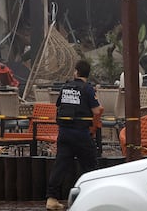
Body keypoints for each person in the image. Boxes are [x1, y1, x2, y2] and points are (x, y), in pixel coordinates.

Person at [45, 60, 103, 210]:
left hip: (64, 133)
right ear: (87, 74)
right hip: (81, 134)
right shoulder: (88, 89)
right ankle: (93, 199)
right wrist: (94, 127)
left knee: (60, 166)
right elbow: (97, 111)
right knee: (90, 166)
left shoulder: (65, 87)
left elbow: (58, 107)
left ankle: (51, 200)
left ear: (76, 72)